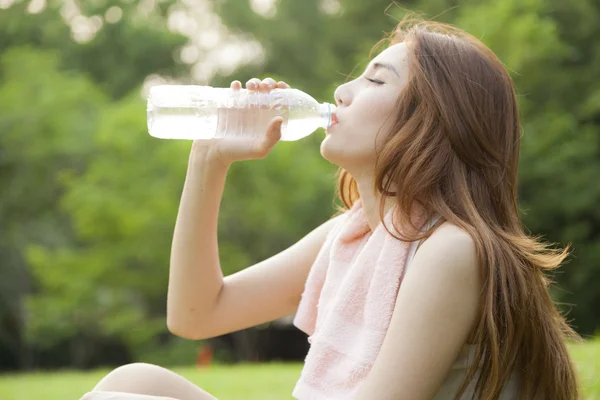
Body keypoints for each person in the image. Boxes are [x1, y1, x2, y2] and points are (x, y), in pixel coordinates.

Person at [81, 16, 582, 400]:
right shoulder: (356, 235)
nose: (342, 91)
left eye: (376, 81)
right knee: (136, 378)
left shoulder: (452, 250)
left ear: (433, 122)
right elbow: (194, 314)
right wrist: (209, 157)